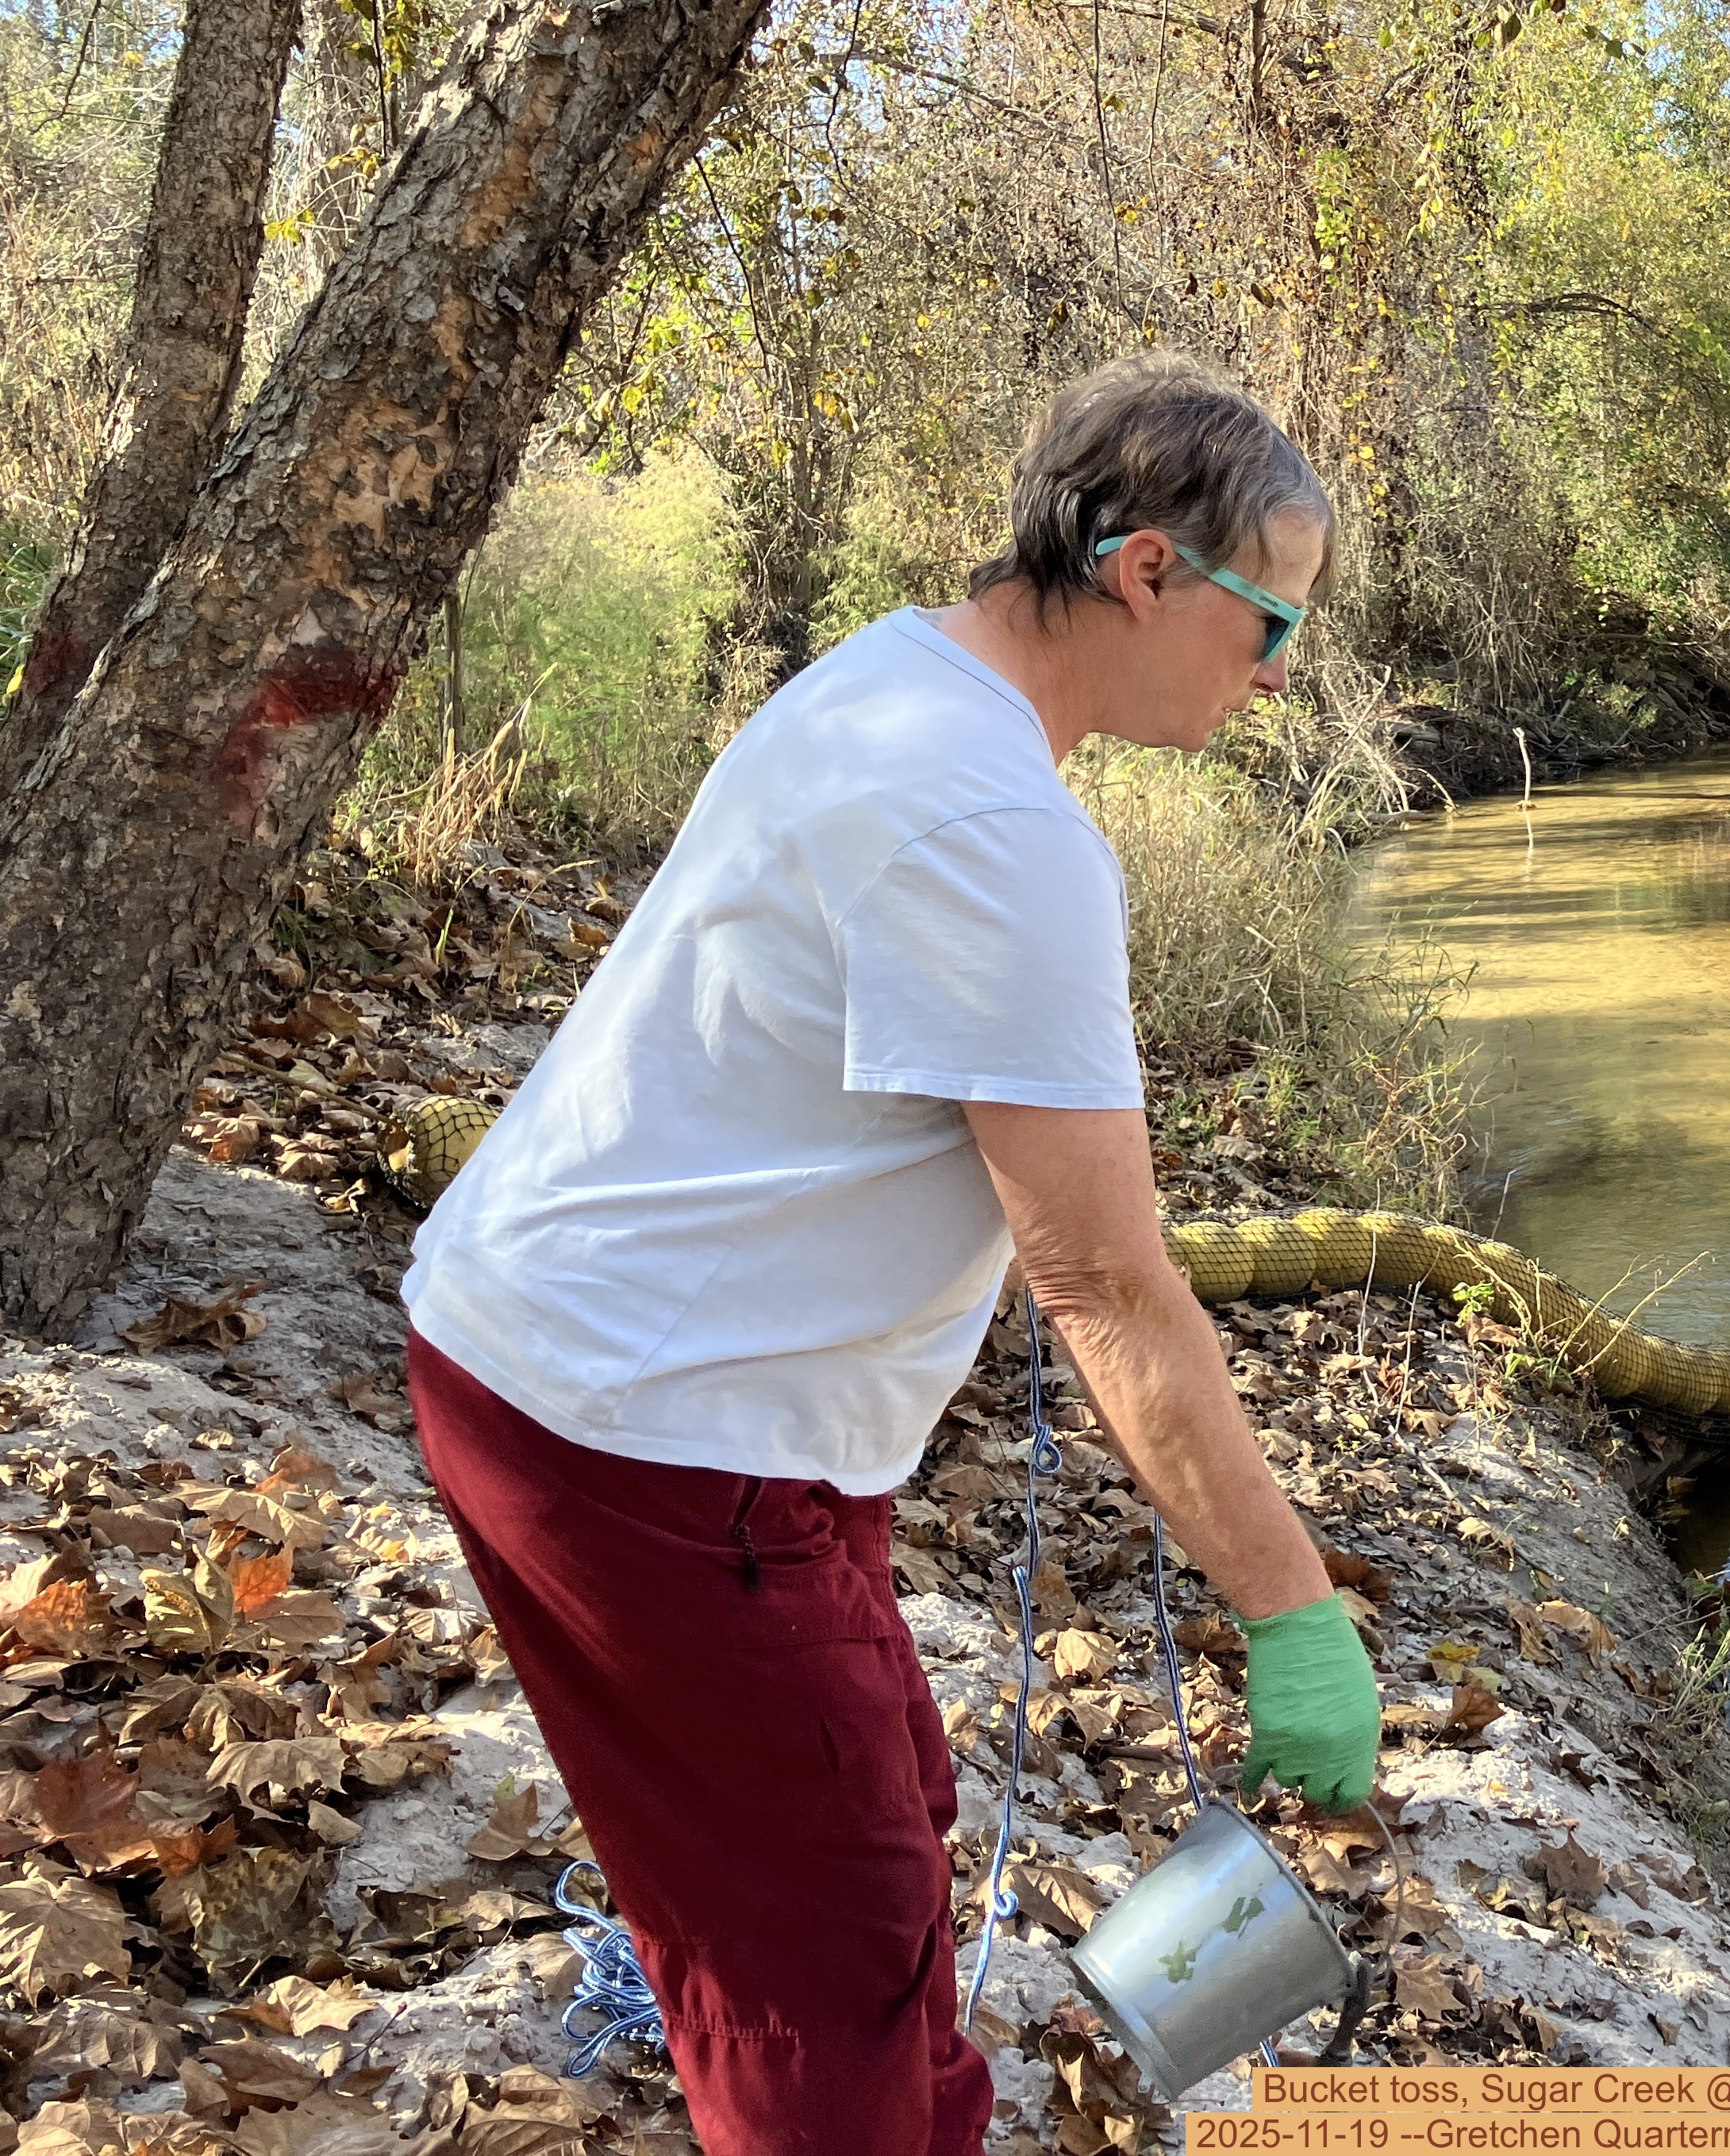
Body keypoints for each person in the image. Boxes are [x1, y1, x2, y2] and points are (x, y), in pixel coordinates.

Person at [399, 352, 1382, 2156]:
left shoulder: (897, 675)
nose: (1282, 675)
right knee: (827, 1956)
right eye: (1272, 627)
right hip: (655, 1439)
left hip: (539, 1358)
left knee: (865, 1809)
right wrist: (1293, 1615)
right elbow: (1101, 1283)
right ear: (1148, 569)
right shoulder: (999, 826)